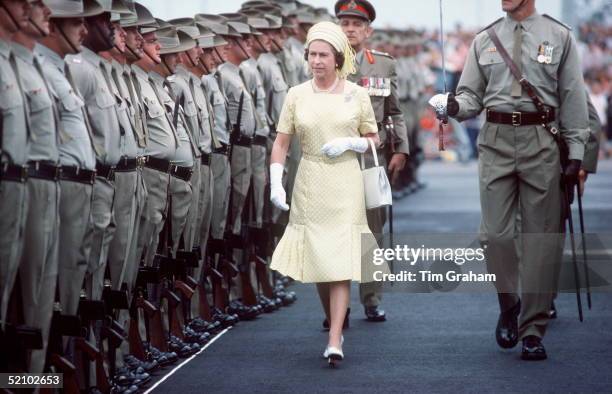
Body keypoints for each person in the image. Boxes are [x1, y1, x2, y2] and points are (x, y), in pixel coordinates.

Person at [431, 0, 589, 360]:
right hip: (496, 142)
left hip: (541, 142)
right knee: (495, 235)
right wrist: (452, 105)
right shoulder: (484, 39)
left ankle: (532, 329)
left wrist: (576, 152)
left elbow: (572, 95)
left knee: (540, 241)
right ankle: (509, 302)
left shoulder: (559, 36)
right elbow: (471, 95)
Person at [269, 21, 379, 366]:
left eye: (323, 55)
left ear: (337, 58)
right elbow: (282, 142)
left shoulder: (356, 94)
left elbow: (374, 139)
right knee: (319, 260)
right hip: (310, 180)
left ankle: (335, 339)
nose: (316, 61)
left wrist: (352, 142)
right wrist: (275, 180)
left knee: (342, 259)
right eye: (312, 54)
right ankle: (335, 321)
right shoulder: (296, 94)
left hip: (346, 179)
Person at [336, 0, 410, 323]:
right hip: (334, 157)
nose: (350, 29)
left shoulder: (383, 65)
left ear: (368, 30)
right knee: (335, 230)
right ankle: (337, 304)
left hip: (370, 155)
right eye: (344, 23)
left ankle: (371, 296)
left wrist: (401, 149)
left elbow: (395, 111)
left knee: (371, 230)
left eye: (356, 24)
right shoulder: (324, 62)